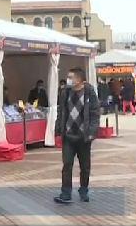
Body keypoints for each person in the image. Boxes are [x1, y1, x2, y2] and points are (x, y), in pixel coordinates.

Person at [54, 67, 100, 204]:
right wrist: (58, 129)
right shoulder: (65, 93)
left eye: (71, 77)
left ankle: (83, 190)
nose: (68, 80)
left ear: (79, 79)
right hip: (68, 136)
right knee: (67, 164)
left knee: (85, 166)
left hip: (83, 137)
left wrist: (92, 132)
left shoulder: (89, 93)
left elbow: (95, 114)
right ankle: (65, 193)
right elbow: (61, 112)